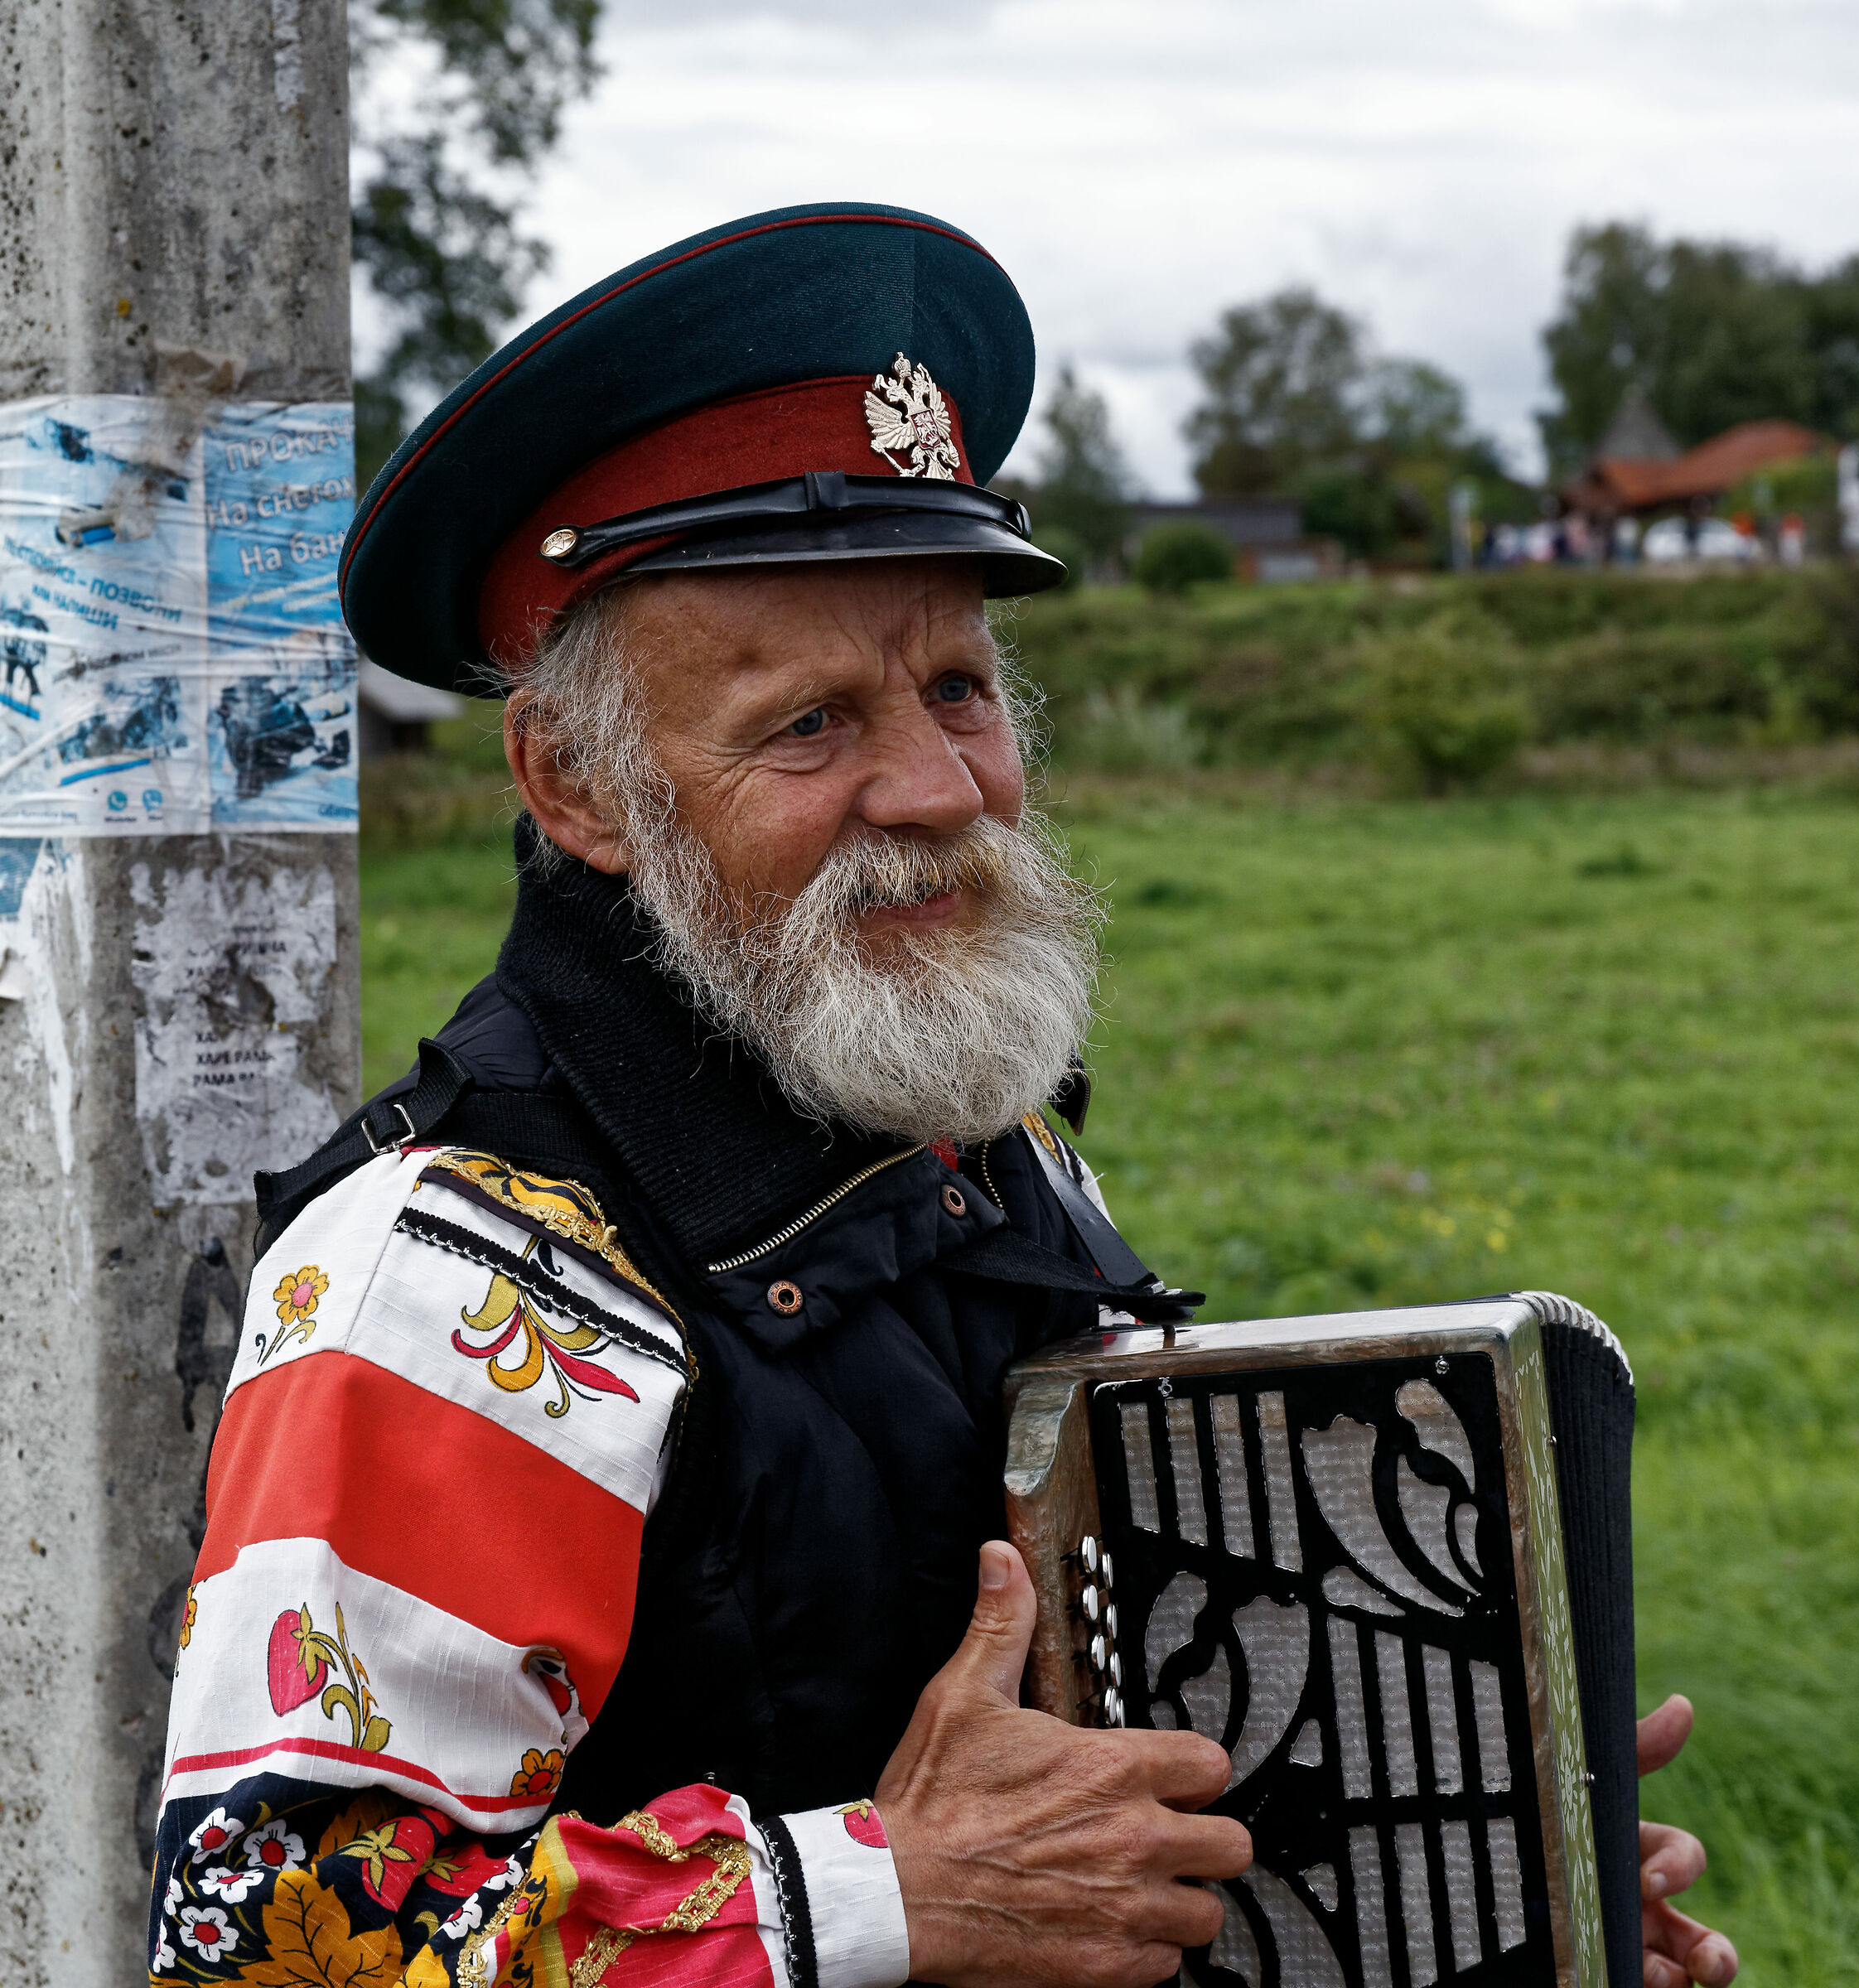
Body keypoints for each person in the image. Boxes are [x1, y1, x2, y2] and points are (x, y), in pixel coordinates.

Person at [147, 203, 1739, 1988]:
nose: (934, 786)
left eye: (959, 686)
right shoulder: (449, 1288)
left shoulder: (978, 1143)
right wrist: (882, 1895)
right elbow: (269, 1958)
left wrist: (1483, 1858)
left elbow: (1099, 1743)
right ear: (577, 783)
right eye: (810, 724)